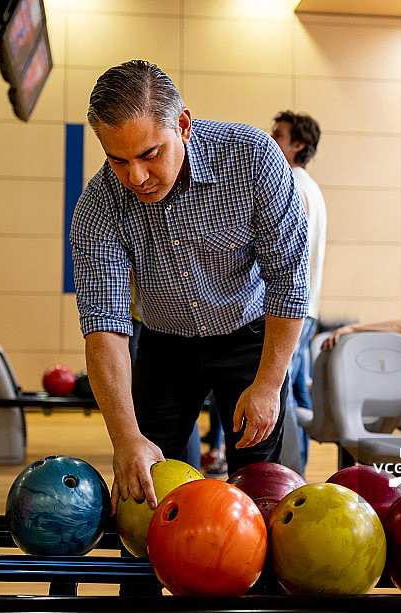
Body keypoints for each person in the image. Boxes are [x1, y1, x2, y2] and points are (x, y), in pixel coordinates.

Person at [70, 60, 309, 512]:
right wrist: (124, 438)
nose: (136, 177)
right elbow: (104, 327)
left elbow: (289, 281)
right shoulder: (99, 206)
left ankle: (252, 583)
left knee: (257, 490)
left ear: (182, 126)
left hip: (249, 336)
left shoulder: (253, 158)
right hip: (165, 344)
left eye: (149, 154)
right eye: (118, 160)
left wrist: (268, 385)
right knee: (146, 484)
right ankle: (147, 581)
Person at [271, 110, 327, 475]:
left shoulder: (292, 187)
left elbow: (285, 257)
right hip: (307, 309)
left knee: (277, 392)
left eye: (278, 134)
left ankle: (289, 475)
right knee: (295, 393)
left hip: (292, 309)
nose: (269, 139)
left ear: (298, 145)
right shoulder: (311, 187)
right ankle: (297, 472)